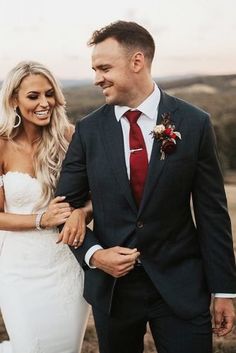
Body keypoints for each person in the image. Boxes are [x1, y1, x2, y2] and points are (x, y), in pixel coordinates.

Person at [55, 21, 236, 353]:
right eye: (94, 70)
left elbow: (212, 212)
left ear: (137, 62)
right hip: (114, 292)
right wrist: (95, 256)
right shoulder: (88, 130)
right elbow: (61, 208)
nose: (97, 78)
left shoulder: (194, 123)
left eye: (104, 68)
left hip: (182, 285)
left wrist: (224, 290)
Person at [0, 61, 91, 353]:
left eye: (49, 94)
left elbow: (101, 194)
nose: (44, 103)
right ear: (14, 99)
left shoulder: (70, 137)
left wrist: (81, 212)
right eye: (33, 96)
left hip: (67, 265)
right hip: (19, 269)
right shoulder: (1, 145)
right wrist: (41, 218)